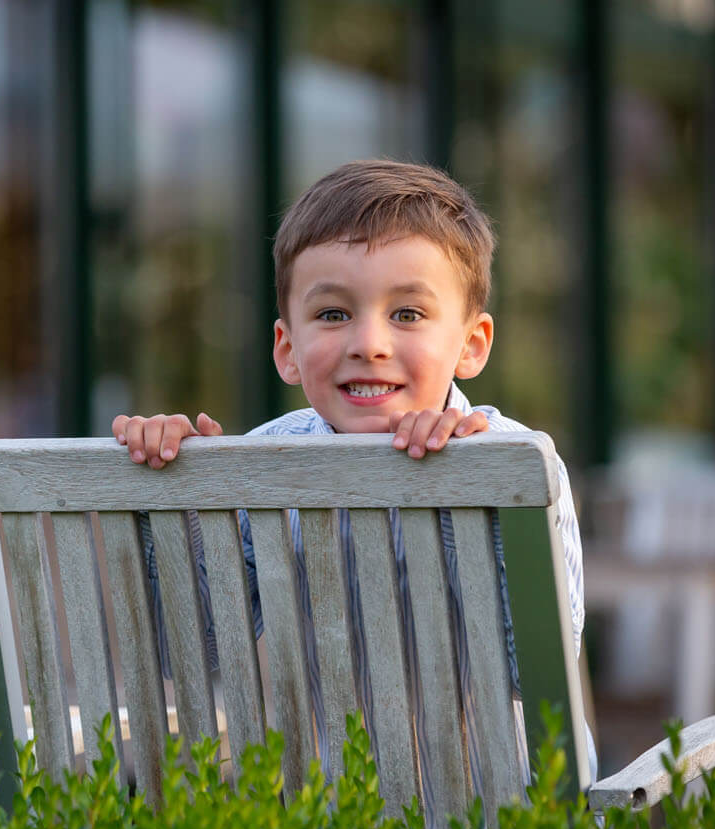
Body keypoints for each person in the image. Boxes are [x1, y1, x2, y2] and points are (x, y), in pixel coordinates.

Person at [111, 159, 588, 782]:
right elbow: (192, 655)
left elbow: (533, 671)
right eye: (334, 314)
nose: (369, 342)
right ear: (287, 348)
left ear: (471, 344)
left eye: (408, 315)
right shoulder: (259, 466)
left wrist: (460, 487)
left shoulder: (514, 462)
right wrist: (182, 492)